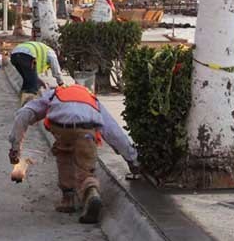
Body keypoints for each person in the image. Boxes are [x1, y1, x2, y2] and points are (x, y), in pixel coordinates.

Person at [8, 84, 140, 224]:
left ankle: (68, 200)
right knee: (86, 169)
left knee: (64, 155)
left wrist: (15, 149)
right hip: (87, 130)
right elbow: (114, 132)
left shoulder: (54, 94)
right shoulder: (92, 100)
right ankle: (91, 191)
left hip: (61, 128)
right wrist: (132, 160)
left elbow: (24, 114)